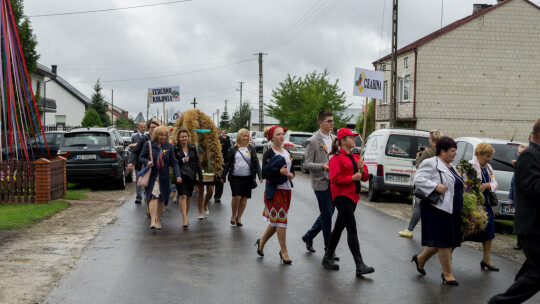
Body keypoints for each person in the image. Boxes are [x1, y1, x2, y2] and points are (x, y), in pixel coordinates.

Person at [489, 120, 540, 304]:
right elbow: (533, 188)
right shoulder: (529, 155)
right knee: (537, 273)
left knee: (531, 271)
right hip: (532, 226)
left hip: (535, 226)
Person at [321, 128, 373, 277]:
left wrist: (363, 171)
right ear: (343, 141)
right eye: (351, 137)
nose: (354, 139)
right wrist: (352, 178)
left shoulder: (357, 157)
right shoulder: (336, 158)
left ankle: (327, 256)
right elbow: (334, 178)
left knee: (338, 227)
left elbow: (365, 178)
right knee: (352, 228)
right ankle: (359, 264)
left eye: (354, 137)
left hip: (354, 196)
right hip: (341, 196)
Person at [411, 136, 463, 286]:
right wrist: (435, 186)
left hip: (452, 209)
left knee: (447, 240)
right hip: (437, 209)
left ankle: (420, 259)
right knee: (445, 242)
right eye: (452, 151)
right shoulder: (431, 163)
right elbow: (418, 179)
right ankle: (447, 274)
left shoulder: (450, 165)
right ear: (442, 151)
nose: (455, 154)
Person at [301, 110, 338, 259]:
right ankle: (329, 249)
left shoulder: (335, 139)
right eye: (328, 121)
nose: (331, 123)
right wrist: (322, 166)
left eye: (332, 121)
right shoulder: (313, 141)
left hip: (334, 182)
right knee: (327, 216)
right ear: (320, 123)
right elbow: (307, 164)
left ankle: (309, 235)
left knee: (327, 213)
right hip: (321, 182)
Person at [255, 126, 295, 264]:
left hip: (287, 190)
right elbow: (265, 173)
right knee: (281, 221)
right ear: (272, 137)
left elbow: (291, 169)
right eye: (278, 134)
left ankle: (261, 241)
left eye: (283, 134)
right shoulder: (269, 153)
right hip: (274, 191)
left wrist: (291, 174)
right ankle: (284, 251)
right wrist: (279, 172)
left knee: (277, 221)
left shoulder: (287, 152)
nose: (281, 136)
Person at [398, 130, 444, 238]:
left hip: (427, 183)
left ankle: (410, 230)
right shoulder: (442, 151)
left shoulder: (427, 153)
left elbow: (419, 166)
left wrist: (418, 157)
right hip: (439, 183)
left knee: (418, 206)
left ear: (431, 140)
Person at [462, 143, 499, 271]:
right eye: (487, 156)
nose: (489, 159)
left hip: (486, 204)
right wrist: (476, 187)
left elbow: (495, 183)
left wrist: (488, 185)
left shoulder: (488, 167)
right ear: (479, 154)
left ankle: (486, 260)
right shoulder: (470, 166)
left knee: (489, 231)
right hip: (474, 203)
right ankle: (448, 252)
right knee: (467, 231)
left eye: (490, 156)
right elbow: (465, 183)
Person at [139, 126, 182, 230]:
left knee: (162, 199)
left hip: (164, 176)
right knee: (154, 196)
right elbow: (141, 157)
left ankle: (158, 219)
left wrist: (178, 175)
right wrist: (147, 162)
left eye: (164, 135)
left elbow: (174, 162)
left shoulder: (168, 146)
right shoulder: (149, 144)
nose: (163, 137)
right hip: (152, 176)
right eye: (160, 135)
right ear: (156, 135)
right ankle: (153, 220)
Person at [221, 128, 262, 227]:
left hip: (248, 177)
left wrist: (260, 175)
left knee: (244, 198)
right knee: (236, 197)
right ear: (239, 137)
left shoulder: (251, 148)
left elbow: (256, 162)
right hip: (235, 177)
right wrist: (223, 176)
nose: (246, 138)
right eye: (244, 136)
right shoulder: (233, 149)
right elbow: (228, 163)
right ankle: (233, 215)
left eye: (247, 136)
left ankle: (239, 217)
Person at [173, 129, 203, 230]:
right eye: (182, 137)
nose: (184, 138)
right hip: (180, 175)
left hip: (191, 175)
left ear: (188, 137)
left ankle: (185, 214)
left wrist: (200, 175)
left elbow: (197, 161)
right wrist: (182, 160)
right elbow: (172, 162)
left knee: (189, 196)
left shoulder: (192, 147)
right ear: (179, 138)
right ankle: (184, 218)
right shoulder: (175, 148)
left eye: (186, 136)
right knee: (183, 196)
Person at [129, 120, 159, 206]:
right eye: (152, 128)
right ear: (149, 129)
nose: (154, 130)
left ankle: (153, 203)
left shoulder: (161, 139)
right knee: (143, 183)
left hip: (156, 168)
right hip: (143, 165)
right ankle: (141, 197)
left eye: (156, 128)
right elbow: (135, 151)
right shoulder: (145, 139)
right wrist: (131, 162)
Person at [508, 143, 528, 250]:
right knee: (518, 220)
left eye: (523, 153)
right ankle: (519, 243)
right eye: (519, 153)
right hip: (517, 199)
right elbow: (513, 184)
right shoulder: (517, 165)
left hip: (525, 200)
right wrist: (510, 199)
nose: (520, 155)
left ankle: (524, 244)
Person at [215, 130, 232, 203]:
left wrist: (225, 164)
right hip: (211, 163)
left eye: (218, 133)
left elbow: (227, 153)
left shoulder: (225, 141)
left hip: (221, 163)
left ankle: (217, 196)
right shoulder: (209, 141)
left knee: (220, 180)